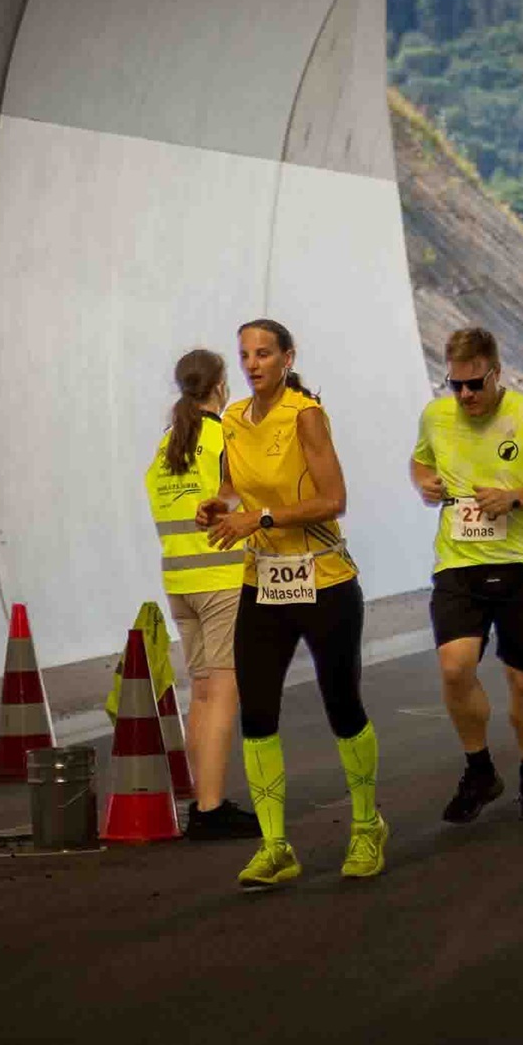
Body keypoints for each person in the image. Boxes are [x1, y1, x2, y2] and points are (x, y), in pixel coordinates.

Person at [200, 320, 386, 887]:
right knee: (257, 713)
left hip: (323, 578)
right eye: (245, 355)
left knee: (342, 705)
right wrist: (218, 505)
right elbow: (233, 488)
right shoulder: (233, 418)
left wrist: (258, 518)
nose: (253, 364)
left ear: (287, 357)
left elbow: (334, 500)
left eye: (264, 354)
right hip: (264, 582)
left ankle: (367, 826)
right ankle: (275, 846)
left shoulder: (305, 414)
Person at [412, 327, 523, 823]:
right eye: (456, 385)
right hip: (458, 562)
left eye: (475, 384)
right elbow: (420, 462)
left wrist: (515, 498)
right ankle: (480, 770)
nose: (465, 395)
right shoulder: (436, 417)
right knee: (454, 668)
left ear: (496, 373)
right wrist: (426, 483)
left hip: (522, 562)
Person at [145, 349, 251, 840]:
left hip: (180, 583)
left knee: (203, 694)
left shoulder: (167, 445)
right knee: (224, 694)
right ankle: (210, 808)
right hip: (221, 579)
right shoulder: (222, 438)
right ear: (220, 386)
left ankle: (202, 802)